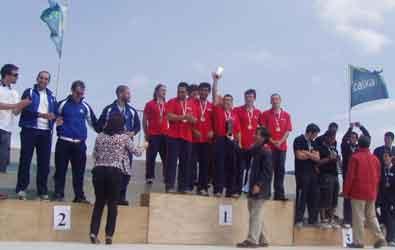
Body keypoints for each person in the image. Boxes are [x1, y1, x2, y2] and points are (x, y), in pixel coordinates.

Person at [89, 113, 142, 245]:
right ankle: (109, 235)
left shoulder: (100, 136)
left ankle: (93, 232)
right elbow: (137, 152)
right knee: (112, 204)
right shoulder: (123, 138)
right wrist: (145, 146)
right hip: (114, 171)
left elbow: (95, 154)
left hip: (99, 171)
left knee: (99, 203)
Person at [54, 80, 98, 203]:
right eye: (77, 93)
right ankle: (58, 194)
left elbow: (94, 123)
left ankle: (79, 196)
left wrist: (106, 130)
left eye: (82, 93)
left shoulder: (85, 106)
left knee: (79, 172)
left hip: (79, 144)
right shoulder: (62, 104)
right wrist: (57, 124)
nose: (79, 95)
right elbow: (53, 117)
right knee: (60, 170)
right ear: (72, 91)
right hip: (64, 142)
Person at [16, 71, 57, 200]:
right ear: (37, 78)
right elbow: (25, 109)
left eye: (46, 79)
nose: (43, 80)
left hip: (45, 132)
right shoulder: (29, 92)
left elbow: (55, 113)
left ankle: (42, 191)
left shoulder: (52, 97)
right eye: (41, 78)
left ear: (48, 81)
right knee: (25, 159)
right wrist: (42, 115)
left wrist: (55, 118)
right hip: (30, 129)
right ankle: (22, 189)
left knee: (44, 163)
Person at [97, 85, 141, 206]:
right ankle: (109, 197)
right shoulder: (109, 109)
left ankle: (121, 197)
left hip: (127, 146)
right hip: (112, 146)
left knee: (125, 172)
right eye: (127, 93)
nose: (130, 96)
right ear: (120, 94)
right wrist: (112, 133)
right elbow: (100, 125)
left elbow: (137, 126)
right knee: (112, 172)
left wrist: (132, 133)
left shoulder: (131, 111)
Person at [343, 135, 386, 248]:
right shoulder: (375, 159)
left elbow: (350, 177)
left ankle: (358, 242)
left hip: (358, 192)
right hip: (372, 192)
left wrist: (346, 192)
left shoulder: (355, 157)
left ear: (358, 144)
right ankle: (380, 238)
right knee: (371, 217)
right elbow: (378, 177)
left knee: (358, 217)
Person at [236, 127, 272, 248]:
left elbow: (267, 172)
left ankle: (252, 240)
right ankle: (263, 239)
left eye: (256, 134)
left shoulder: (266, 151)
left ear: (263, 138)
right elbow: (242, 154)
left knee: (255, 215)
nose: (254, 136)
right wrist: (233, 140)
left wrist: (258, 185)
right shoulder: (255, 149)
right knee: (256, 214)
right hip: (250, 186)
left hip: (259, 189)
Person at [0, 64, 31, 200]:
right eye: (15, 75)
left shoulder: (14, 92)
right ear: (7, 75)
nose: (17, 77)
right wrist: (16, 105)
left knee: (2, 161)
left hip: (7, 130)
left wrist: (23, 105)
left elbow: (15, 112)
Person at [212, 72, 241, 197]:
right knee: (219, 164)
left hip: (231, 140)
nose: (227, 102)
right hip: (220, 139)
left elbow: (238, 130)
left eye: (229, 100)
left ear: (232, 103)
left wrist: (239, 143)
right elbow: (214, 94)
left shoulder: (235, 114)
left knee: (232, 165)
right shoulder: (218, 110)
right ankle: (218, 189)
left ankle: (230, 190)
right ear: (222, 102)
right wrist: (216, 80)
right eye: (225, 100)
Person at [165, 82, 197, 193]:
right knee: (172, 162)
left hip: (187, 137)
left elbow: (195, 120)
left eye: (183, 92)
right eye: (179, 91)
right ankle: (169, 186)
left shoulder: (192, 104)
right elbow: (169, 116)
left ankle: (182, 187)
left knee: (185, 163)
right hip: (173, 136)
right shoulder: (172, 102)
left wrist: (191, 119)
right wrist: (183, 117)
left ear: (187, 92)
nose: (180, 93)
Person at [260, 93, 292, 201]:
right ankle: (266, 194)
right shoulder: (265, 114)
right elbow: (263, 131)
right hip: (269, 148)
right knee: (268, 171)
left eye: (277, 99)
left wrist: (281, 141)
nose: (275, 101)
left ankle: (279, 195)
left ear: (280, 100)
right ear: (270, 101)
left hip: (282, 148)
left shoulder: (286, 115)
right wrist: (273, 141)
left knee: (280, 171)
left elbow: (288, 131)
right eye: (273, 99)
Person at [341, 122, 370, 227]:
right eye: (351, 137)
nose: (353, 138)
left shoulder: (360, 148)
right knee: (347, 198)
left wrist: (361, 126)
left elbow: (368, 137)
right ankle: (347, 220)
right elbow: (344, 139)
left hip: (358, 178)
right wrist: (350, 128)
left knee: (358, 200)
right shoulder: (345, 147)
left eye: (355, 137)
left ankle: (356, 220)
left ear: (357, 139)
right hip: (347, 176)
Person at [294, 123, 321, 227]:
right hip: (302, 173)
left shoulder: (314, 143)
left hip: (313, 173)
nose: (315, 137)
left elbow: (317, 157)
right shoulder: (299, 140)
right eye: (315, 134)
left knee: (313, 196)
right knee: (302, 196)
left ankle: (313, 219)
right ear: (310, 132)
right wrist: (311, 154)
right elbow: (299, 156)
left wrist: (307, 153)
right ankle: (299, 220)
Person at [235, 89, 261, 195]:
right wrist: (239, 142)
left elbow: (260, 130)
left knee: (251, 170)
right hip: (241, 145)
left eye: (250, 97)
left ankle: (248, 189)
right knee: (240, 168)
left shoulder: (258, 112)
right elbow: (236, 127)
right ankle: (237, 189)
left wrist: (257, 144)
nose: (248, 99)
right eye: (246, 96)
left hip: (253, 146)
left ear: (254, 98)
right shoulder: (237, 110)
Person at [191, 82, 214, 195]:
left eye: (206, 90)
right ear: (198, 91)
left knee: (205, 165)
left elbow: (216, 121)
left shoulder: (211, 106)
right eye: (202, 90)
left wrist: (213, 131)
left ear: (209, 92)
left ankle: (202, 188)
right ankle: (188, 186)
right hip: (193, 139)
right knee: (191, 163)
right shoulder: (191, 103)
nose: (204, 92)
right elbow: (188, 119)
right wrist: (193, 130)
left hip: (207, 140)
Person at [143, 84, 168, 184]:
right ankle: (149, 177)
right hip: (153, 134)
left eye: (165, 90)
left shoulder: (167, 104)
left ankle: (166, 176)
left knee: (166, 157)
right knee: (151, 156)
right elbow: (144, 119)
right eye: (162, 90)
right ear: (156, 91)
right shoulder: (150, 104)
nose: (164, 92)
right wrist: (146, 132)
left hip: (165, 134)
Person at [316, 131, 340, 229]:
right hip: (325, 175)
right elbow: (317, 162)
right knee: (325, 197)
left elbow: (338, 161)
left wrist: (338, 159)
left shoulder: (334, 148)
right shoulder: (320, 148)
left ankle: (331, 219)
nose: (333, 140)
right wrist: (329, 158)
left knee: (334, 198)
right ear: (327, 138)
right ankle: (323, 219)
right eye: (332, 137)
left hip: (335, 175)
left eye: (334, 137)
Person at [376, 151, 395, 246]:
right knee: (381, 218)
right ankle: (382, 239)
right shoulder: (382, 170)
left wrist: (390, 184)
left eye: (387, 157)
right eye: (384, 157)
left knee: (390, 218)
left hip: (392, 199)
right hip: (382, 198)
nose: (385, 159)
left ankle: (391, 239)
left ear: (391, 158)